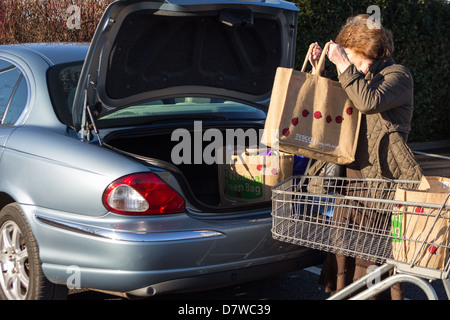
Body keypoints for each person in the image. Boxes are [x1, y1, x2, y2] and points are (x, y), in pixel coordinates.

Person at [308, 14, 423, 299]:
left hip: (379, 189)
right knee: (345, 267)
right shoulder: (359, 78)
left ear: (363, 50)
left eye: (349, 53)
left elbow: (368, 102)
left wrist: (345, 65)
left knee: (371, 273)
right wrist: (319, 70)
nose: (345, 59)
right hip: (350, 186)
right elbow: (332, 111)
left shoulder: (398, 77)